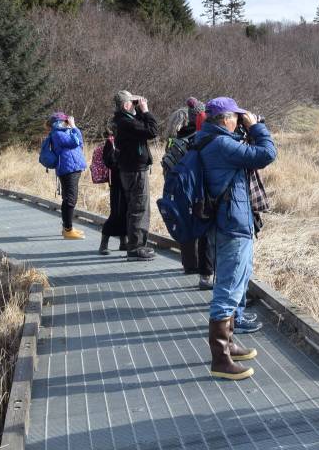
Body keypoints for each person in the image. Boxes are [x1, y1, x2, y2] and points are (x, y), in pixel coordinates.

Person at [196, 97, 277, 380]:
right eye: (237, 117)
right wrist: (256, 128)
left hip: (226, 220)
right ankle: (221, 360)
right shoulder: (221, 144)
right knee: (228, 289)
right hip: (231, 223)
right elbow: (266, 154)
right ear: (226, 119)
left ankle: (229, 343)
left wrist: (247, 130)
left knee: (234, 282)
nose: (240, 121)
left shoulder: (209, 139)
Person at [164, 99, 214, 289]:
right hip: (195, 187)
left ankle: (189, 264)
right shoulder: (198, 138)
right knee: (200, 226)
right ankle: (201, 267)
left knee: (184, 221)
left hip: (178, 187)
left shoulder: (176, 138)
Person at [112, 90, 159, 261]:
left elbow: (142, 127)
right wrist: (145, 110)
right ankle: (136, 248)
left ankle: (136, 244)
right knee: (139, 208)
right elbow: (152, 130)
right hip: (135, 171)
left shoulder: (123, 120)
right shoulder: (126, 123)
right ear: (126, 105)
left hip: (129, 169)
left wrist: (139, 111)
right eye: (132, 103)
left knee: (135, 207)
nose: (135, 105)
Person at [47, 112, 88, 240]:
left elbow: (80, 142)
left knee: (69, 198)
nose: (67, 122)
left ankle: (67, 227)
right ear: (58, 122)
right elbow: (76, 142)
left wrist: (72, 129)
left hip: (72, 168)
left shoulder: (64, 132)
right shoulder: (58, 133)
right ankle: (68, 230)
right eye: (64, 120)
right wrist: (74, 126)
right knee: (70, 199)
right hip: (68, 169)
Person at [98, 120, 128, 255]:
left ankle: (124, 242)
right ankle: (103, 243)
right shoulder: (111, 142)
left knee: (127, 212)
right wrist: (122, 163)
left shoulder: (128, 140)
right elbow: (108, 161)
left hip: (129, 181)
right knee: (116, 213)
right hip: (117, 181)